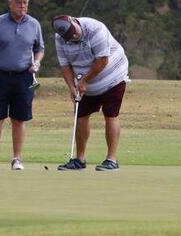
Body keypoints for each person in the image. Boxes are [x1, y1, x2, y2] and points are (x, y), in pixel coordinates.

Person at [51, 15, 129, 171]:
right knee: (81, 115)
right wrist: (72, 87)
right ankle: (79, 160)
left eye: (74, 32)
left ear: (74, 21)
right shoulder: (60, 38)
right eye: (69, 37)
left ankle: (111, 159)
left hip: (113, 75)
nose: (74, 36)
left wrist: (85, 81)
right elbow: (65, 66)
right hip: (83, 80)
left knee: (111, 114)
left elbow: (102, 61)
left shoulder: (95, 29)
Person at [0, 0, 44, 170]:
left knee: (19, 119)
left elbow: (39, 48)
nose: (22, 5)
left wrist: (37, 62)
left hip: (24, 77)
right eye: (18, 2)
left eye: (25, 2)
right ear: (10, 3)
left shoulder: (34, 24)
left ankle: (17, 159)